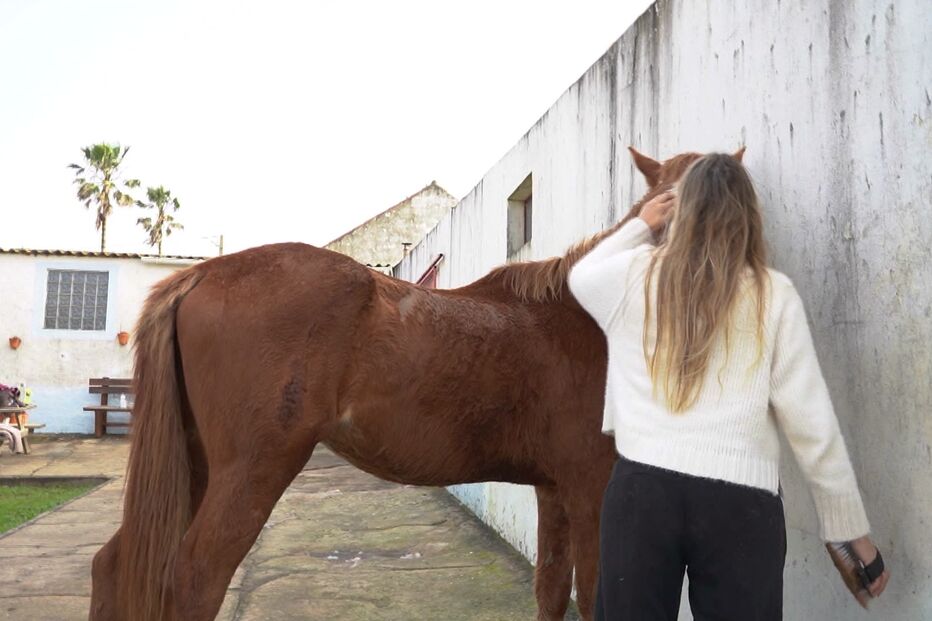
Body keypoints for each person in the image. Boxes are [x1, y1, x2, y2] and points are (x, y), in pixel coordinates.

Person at [568, 153, 890, 620]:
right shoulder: (772, 295)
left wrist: (641, 223)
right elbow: (813, 428)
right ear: (749, 217)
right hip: (742, 504)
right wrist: (851, 532)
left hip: (642, 492)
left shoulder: (635, 274)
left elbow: (582, 277)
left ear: (683, 210)